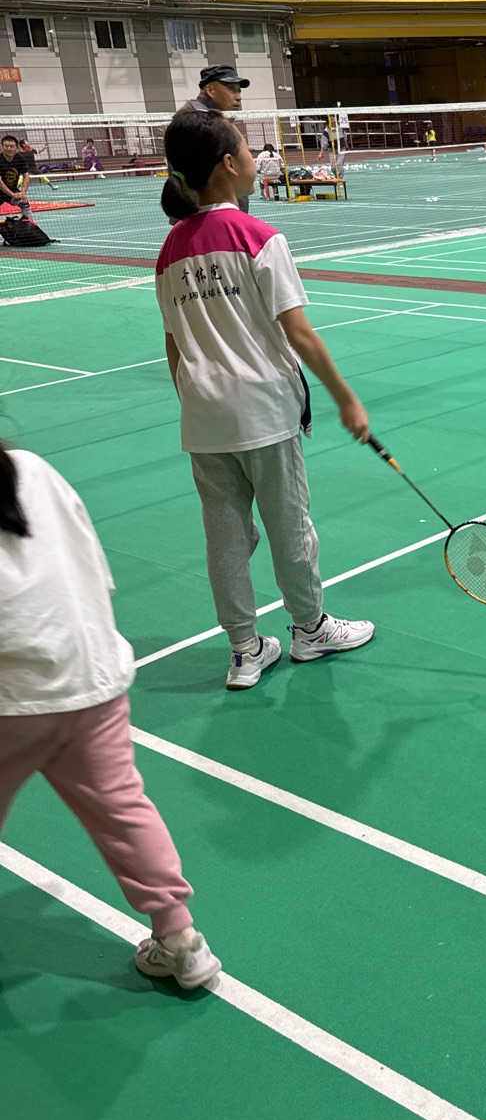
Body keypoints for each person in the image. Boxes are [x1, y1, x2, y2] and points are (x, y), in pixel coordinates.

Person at [157, 111, 375, 688]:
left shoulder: (170, 249)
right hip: (264, 412)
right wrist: (346, 398)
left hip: (203, 419)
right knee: (289, 527)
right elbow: (299, 333)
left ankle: (244, 650)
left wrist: (197, 401)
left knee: (225, 538)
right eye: (249, 149)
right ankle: (310, 630)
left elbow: (173, 345)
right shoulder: (259, 238)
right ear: (229, 164)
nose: (257, 159)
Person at [0, 443, 221, 989]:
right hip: (93, 676)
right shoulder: (33, 468)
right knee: (122, 807)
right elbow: (94, 568)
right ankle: (182, 941)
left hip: (13, 702)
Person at [180, 64, 252, 211]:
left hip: (219, 208)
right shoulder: (197, 119)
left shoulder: (215, 117)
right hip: (205, 211)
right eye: (231, 89)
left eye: (239, 90)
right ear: (210, 90)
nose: (238, 96)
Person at [0, 132, 32, 219]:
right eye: (6, 146)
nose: (9, 149)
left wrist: (23, 192)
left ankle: (30, 224)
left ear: (16, 148)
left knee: (24, 202)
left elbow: (26, 175)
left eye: (12, 146)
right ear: (2, 146)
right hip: (1, 191)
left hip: (12, 189)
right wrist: (12, 194)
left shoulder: (20, 158)